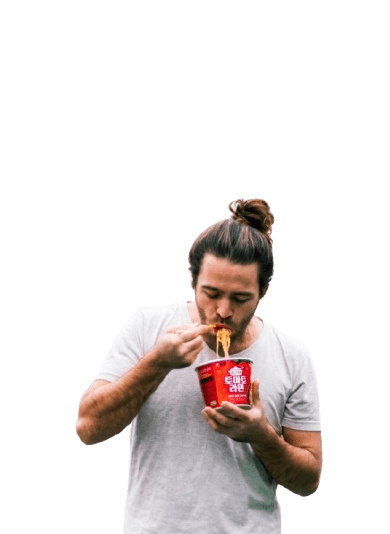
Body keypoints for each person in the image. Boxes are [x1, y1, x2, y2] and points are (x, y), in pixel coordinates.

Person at [75, 198, 322, 534]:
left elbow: (309, 480)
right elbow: (88, 428)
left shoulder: (292, 356)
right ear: (193, 281)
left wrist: (260, 434)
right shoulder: (148, 327)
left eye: (240, 298)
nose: (223, 310)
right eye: (211, 293)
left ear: (263, 290)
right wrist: (157, 363)